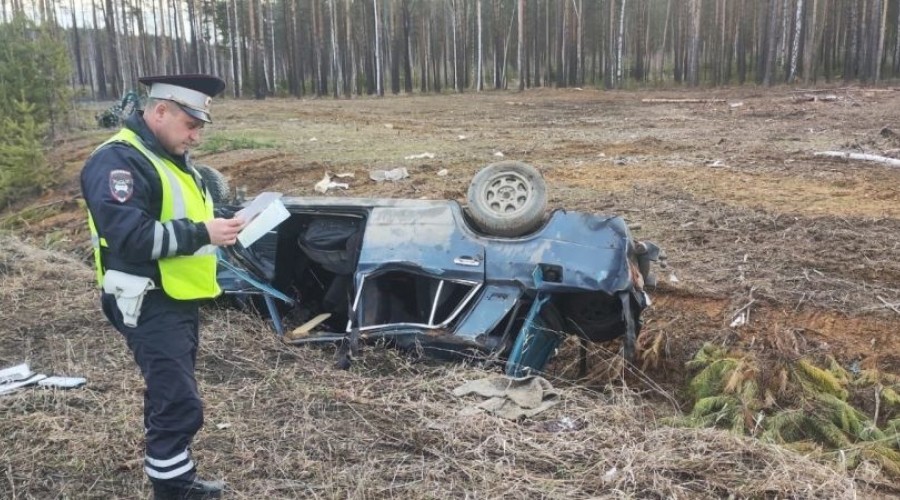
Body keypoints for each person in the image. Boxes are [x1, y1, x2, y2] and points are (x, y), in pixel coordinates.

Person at [80, 74, 244, 499]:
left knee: (170, 394)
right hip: (146, 299)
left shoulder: (168, 157)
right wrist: (203, 232)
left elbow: (181, 215)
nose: (195, 137)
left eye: (200, 128)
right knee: (179, 401)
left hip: (176, 295)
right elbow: (130, 237)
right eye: (190, 125)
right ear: (159, 112)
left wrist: (223, 225)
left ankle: (174, 480)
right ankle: (174, 491)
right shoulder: (118, 161)